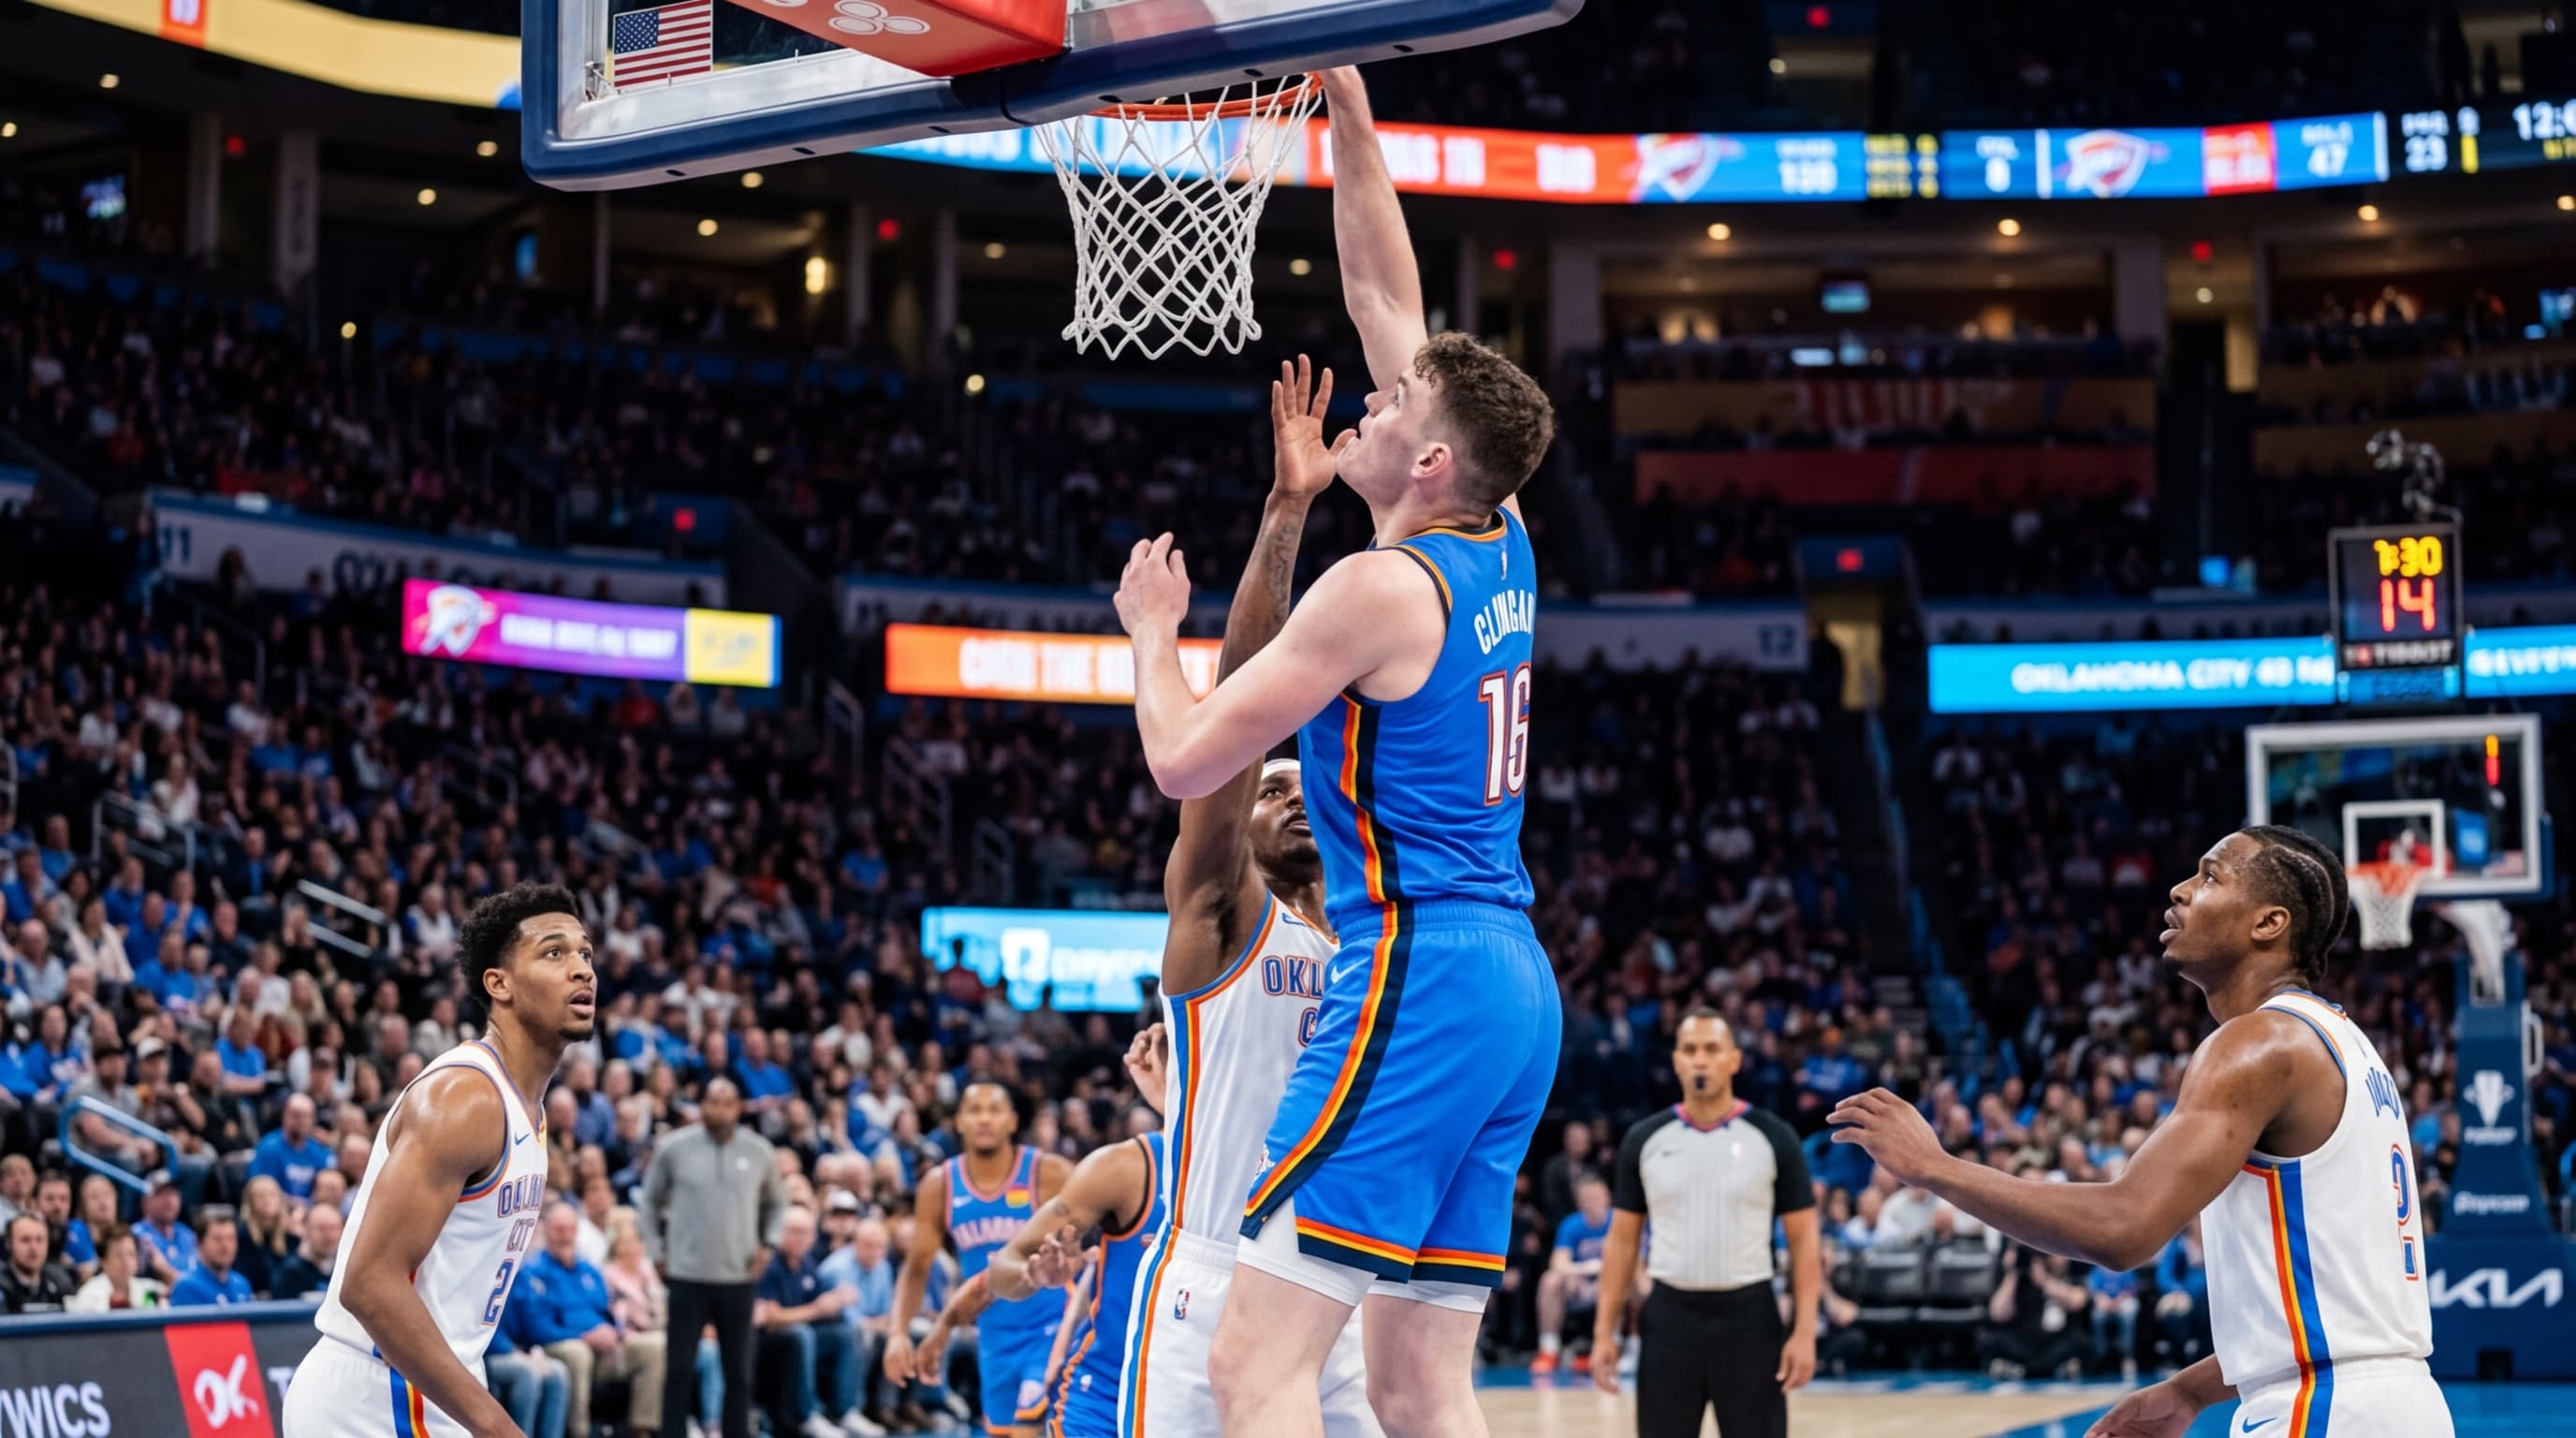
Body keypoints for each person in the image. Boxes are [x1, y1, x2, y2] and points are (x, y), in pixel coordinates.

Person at [1112, 62, 1559, 1438]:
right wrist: (1351, 114)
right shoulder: (1501, 532)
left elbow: (1188, 765)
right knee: (1423, 1381)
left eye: (1390, 414)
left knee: (1260, 1365)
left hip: (1414, 968)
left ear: (1429, 466)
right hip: (1513, 988)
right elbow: (1386, 300)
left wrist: (1149, 633)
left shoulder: (1375, 590)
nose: (1368, 407)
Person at [1832, 827, 2451, 1438]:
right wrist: (2188, 1390)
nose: (2180, 890)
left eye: (2210, 875)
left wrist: (1933, 1166)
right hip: (2394, 1404)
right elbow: (2345, 1312)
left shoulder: (2258, 1042)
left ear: (2269, 923)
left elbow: (2123, 1228)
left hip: (2328, 1411)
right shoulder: (2347, 1047)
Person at [1114, 358, 1380, 1438]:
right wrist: (1288, 510)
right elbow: (1236, 717)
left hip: (1335, 1287)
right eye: (1272, 788)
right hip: (1212, 1282)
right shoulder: (1225, 917)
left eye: (1300, 785)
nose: (1290, 797)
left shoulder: (1370, 931)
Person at [283, 883, 597, 1438]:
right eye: (554, 952)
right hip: (377, 1395)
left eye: (585, 953)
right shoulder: (465, 1099)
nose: (581, 969)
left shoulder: (529, 1109)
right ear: (498, 984)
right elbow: (369, 1282)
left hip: (429, 1387)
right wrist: (497, 1427)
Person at [1590, 1011, 1819, 1438]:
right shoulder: (1644, 1140)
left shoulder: (1774, 1137)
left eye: (1712, 1049)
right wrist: (1604, 1332)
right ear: (1677, 1061)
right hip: (1668, 1320)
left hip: (1751, 1319)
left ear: (1733, 1060)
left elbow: (1805, 1243)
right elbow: (1622, 1244)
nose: (1701, 1060)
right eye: (1691, 1050)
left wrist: (1804, 1332)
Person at [961, 1027, 1168, 1438]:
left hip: (1214, 1396)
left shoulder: (1277, 1167)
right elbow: (1005, 1266)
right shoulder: (1126, 1167)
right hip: (1108, 1397)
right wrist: (1033, 1276)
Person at [882, 1082, 1072, 1438]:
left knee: (1029, 1429)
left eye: (994, 1109)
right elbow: (917, 1265)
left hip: (1053, 1330)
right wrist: (897, 1333)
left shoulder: (1050, 1172)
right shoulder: (940, 1184)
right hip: (993, 1337)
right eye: (975, 1110)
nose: (984, 1119)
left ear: (1012, 1121)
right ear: (959, 1122)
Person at [638, 1075, 788, 1438]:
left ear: (739, 1107)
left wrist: (768, 1244)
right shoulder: (674, 1148)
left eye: (726, 1102)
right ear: (701, 1105)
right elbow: (648, 1201)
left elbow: (777, 1204)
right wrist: (656, 1250)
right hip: (687, 1276)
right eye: (711, 1101)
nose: (718, 1109)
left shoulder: (760, 1152)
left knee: (739, 1373)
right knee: (678, 1370)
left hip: (738, 1277)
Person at [511, 1201, 665, 1438]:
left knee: (654, 1345)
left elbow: (609, 1312)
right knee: (577, 1352)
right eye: (559, 1230)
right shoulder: (533, 1270)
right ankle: (580, 1432)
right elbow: (536, 1328)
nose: (566, 1237)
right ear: (546, 1230)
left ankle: (642, 1429)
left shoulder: (588, 1269)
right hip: (559, 1347)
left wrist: (614, 1332)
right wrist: (583, 1336)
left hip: (603, 1350)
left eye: (571, 1229)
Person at [752, 1204, 878, 1438]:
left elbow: (820, 1306)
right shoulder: (770, 1265)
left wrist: (836, 1300)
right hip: (769, 1346)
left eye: (806, 1232)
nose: (801, 1238)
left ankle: (845, 1410)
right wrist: (816, 1309)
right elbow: (768, 1317)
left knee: (848, 1333)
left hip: (804, 1342)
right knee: (802, 1334)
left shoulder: (807, 1264)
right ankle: (806, 1415)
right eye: (794, 1231)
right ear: (779, 1232)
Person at [1530, 1173, 1613, 1376]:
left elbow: (1631, 1262)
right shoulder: (1571, 1224)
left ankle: (1616, 1349)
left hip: (1611, 1285)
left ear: (1607, 1197)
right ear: (1579, 1202)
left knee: (1631, 1283)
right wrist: (1586, 1269)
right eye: (1587, 1198)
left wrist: (1605, 1273)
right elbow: (1558, 1263)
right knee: (1550, 1281)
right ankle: (1549, 1349)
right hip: (1580, 1284)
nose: (1593, 1202)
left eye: (1597, 1196)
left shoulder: (1618, 1222)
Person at [252, 1092, 337, 1202]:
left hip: (310, 1212)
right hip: (278, 1211)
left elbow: (330, 1175)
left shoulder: (316, 1150)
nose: (302, 1121)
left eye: (307, 1116)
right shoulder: (269, 1148)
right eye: (296, 1115)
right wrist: (298, 1205)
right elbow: (261, 1190)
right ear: (284, 1116)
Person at [170, 1205, 257, 1306]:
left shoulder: (242, 1285)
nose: (225, 1246)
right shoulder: (187, 1287)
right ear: (199, 1243)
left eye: (230, 1238)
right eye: (217, 1239)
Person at [68, 1225, 166, 1313]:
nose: (125, 1262)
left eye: (131, 1254)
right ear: (103, 1261)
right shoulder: (89, 1296)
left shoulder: (149, 1290)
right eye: (118, 1255)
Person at [1, 1211, 76, 1313]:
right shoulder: (2, 1285)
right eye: (25, 1240)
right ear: (9, 1243)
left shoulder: (60, 1282)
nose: (34, 1248)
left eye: (40, 1240)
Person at [273, 1200, 345, 1299]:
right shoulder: (289, 1272)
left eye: (333, 1228)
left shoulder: (347, 1268)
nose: (328, 1236)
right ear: (306, 1229)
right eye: (321, 1228)